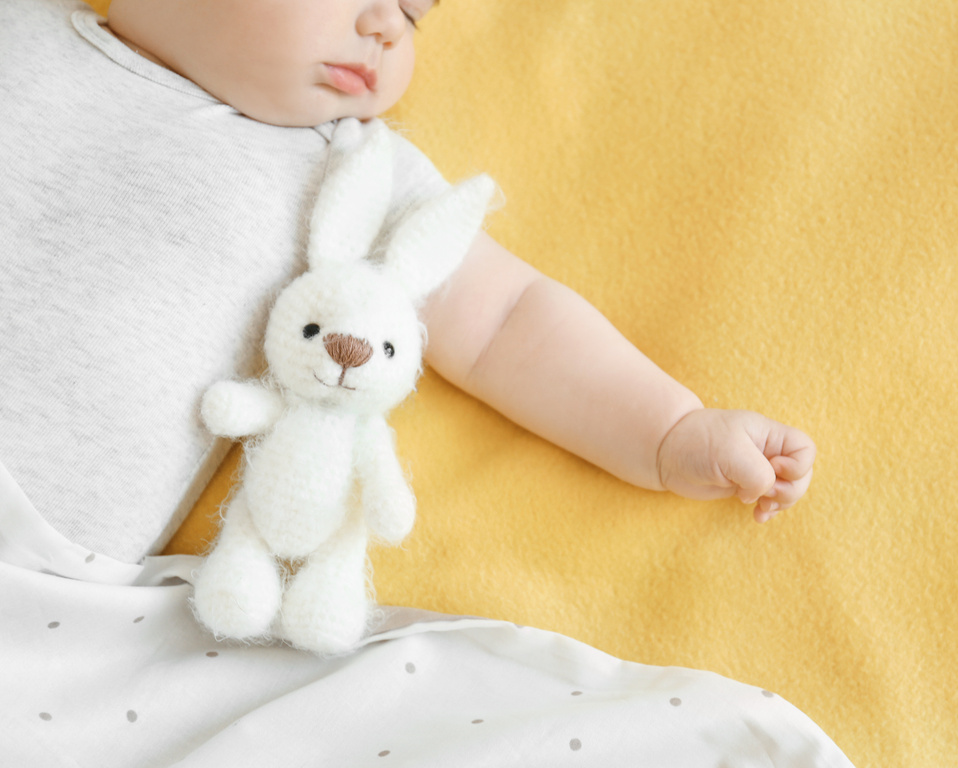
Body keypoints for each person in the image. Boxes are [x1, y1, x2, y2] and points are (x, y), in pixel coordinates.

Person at [0, 1, 850, 765]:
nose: (387, 26)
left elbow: (506, 321)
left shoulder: (346, 168)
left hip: (37, 601)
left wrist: (669, 431)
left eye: (415, 11)